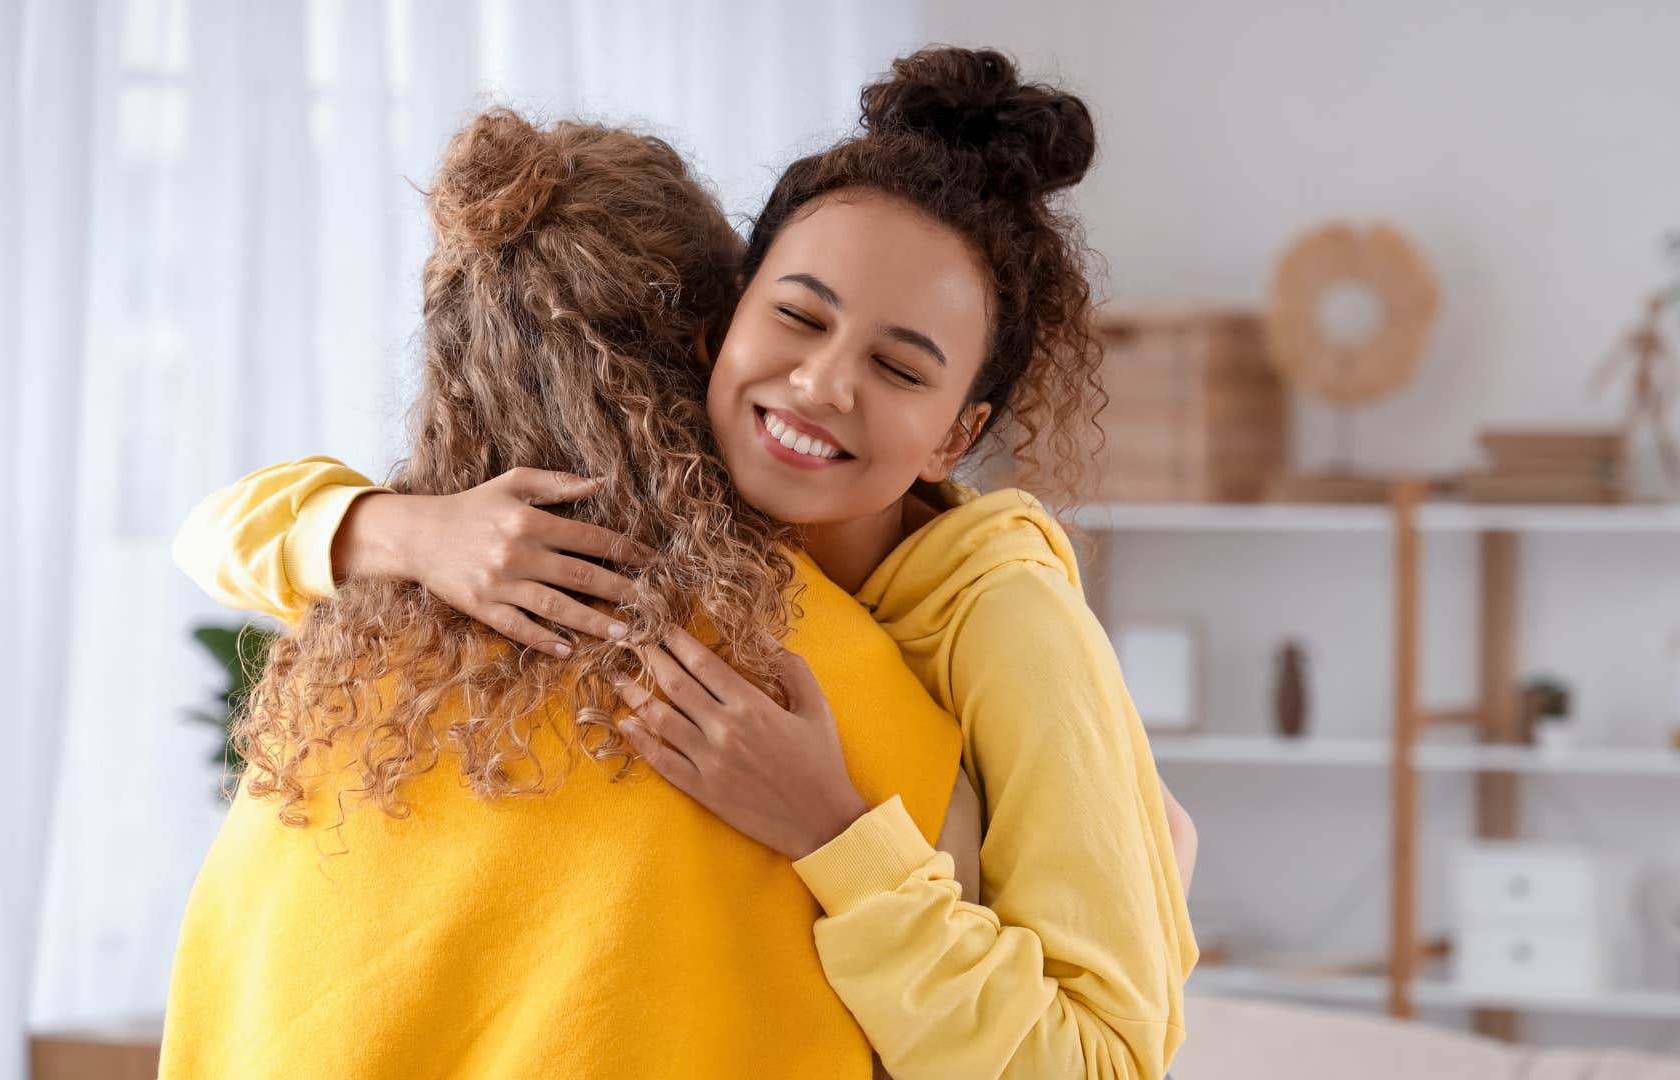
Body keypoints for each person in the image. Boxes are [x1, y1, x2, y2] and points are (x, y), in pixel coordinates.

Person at [179, 47, 1200, 1079]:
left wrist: (831, 829)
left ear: (954, 436)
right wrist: (408, 532)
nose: (819, 384)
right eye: (799, 316)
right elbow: (216, 532)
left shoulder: (1007, 624)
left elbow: (1106, 1058)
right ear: (720, 323)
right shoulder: (670, 526)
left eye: (898, 368)